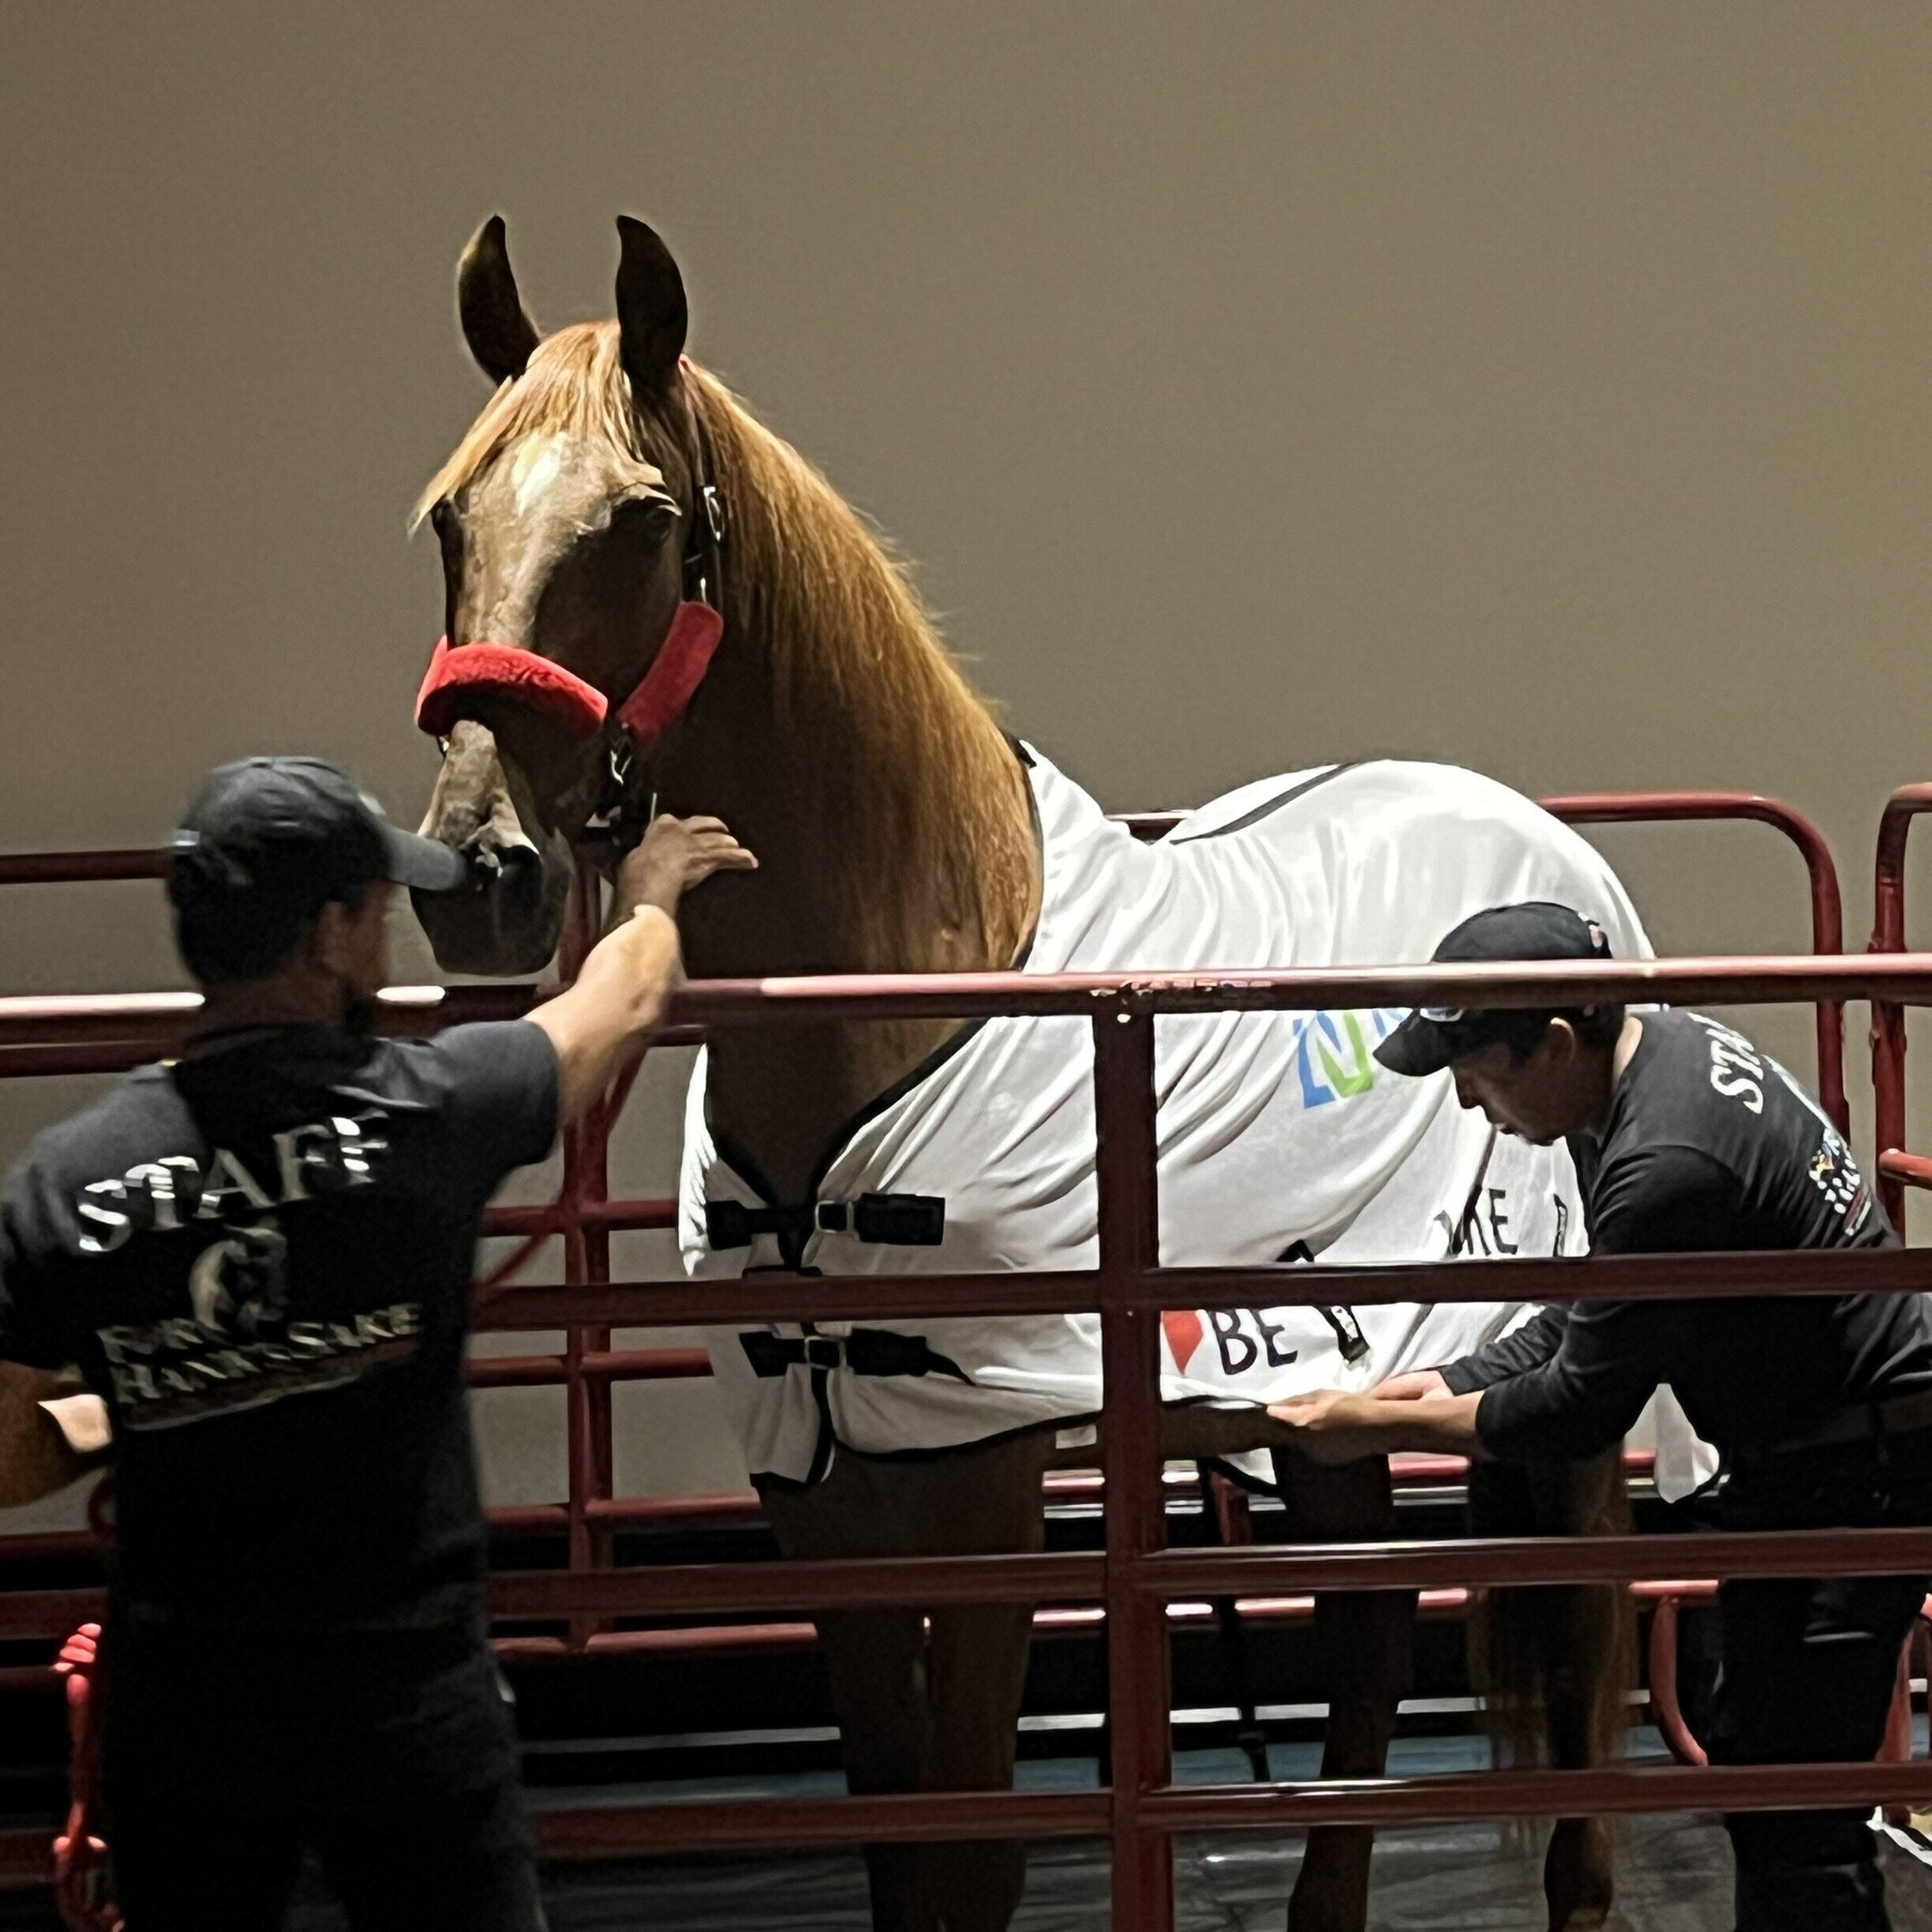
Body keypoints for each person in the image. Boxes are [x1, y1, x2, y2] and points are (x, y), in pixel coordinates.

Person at [0, 757, 754, 1932]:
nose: (391, 927)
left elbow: (7, 1461)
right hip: (402, 1693)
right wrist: (652, 893)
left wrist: (160, 1392)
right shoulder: (424, 1112)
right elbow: (621, 1004)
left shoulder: (66, 1181)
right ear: (329, 932)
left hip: (186, 1701)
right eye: (377, 906)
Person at [1271, 900, 1932, 1932]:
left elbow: (1584, 1401)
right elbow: (1593, 1312)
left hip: (1857, 1467)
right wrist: (1438, 1384)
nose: (1465, 1097)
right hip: (1835, 1453)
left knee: (1795, 1805)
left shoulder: (1663, 1162)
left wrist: (1383, 1427)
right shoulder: (1650, 1063)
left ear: (1557, 1046)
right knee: (1771, 1771)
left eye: (1479, 1068)